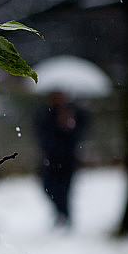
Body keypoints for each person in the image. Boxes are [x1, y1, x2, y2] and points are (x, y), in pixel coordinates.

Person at [35, 90, 89, 227]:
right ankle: (60, 212)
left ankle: (65, 216)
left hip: (67, 159)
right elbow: (41, 132)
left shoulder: (73, 112)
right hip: (49, 159)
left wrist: (71, 124)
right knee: (48, 187)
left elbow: (81, 128)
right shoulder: (45, 113)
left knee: (65, 189)